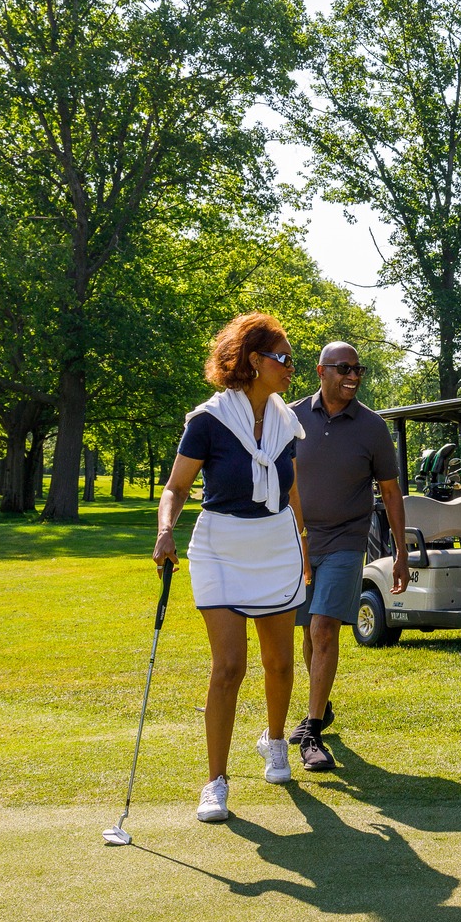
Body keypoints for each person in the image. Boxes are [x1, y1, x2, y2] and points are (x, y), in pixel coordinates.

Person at [155, 313, 309, 824]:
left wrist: (304, 540)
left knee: (280, 663)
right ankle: (216, 782)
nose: (291, 368)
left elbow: (290, 489)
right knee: (228, 667)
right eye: (283, 358)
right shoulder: (208, 421)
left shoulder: (286, 423)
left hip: (277, 545)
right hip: (220, 547)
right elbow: (176, 487)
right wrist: (165, 529)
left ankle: (275, 740)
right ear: (253, 361)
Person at [286, 341, 410, 772]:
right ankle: (320, 706)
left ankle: (312, 732)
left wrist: (400, 552)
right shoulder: (290, 417)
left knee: (324, 628)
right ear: (321, 371)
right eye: (344, 368)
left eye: (359, 369)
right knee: (308, 631)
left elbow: (391, 492)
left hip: (346, 540)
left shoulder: (372, 427)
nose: (353, 376)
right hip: (297, 542)